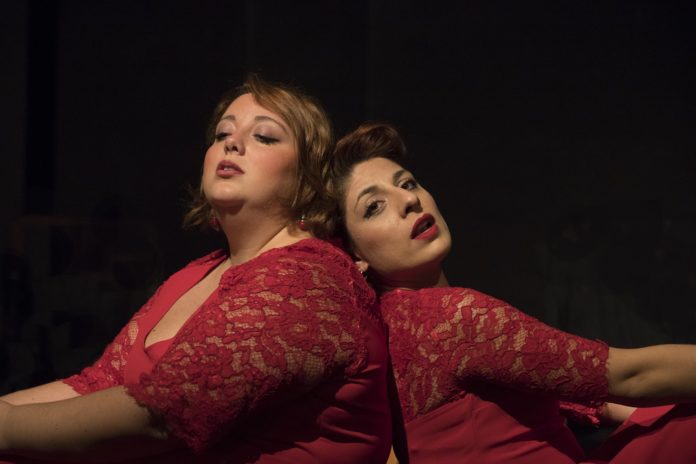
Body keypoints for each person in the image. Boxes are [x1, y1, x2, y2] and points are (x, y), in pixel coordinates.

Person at [0, 77, 392, 463]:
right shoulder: (197, 273)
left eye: (264, 136)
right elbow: (97, 383)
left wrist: (7, 426)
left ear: (307, 177)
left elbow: (164, 415)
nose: (231, 143)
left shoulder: (309, 279)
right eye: (222, 134)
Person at [326, 121, 696, 464]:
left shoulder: (389, 334)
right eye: (374, 207)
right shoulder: (450, 318)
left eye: (407, 183)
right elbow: (633, 377)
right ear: (353, 256)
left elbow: (593, 398)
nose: (409, 200)